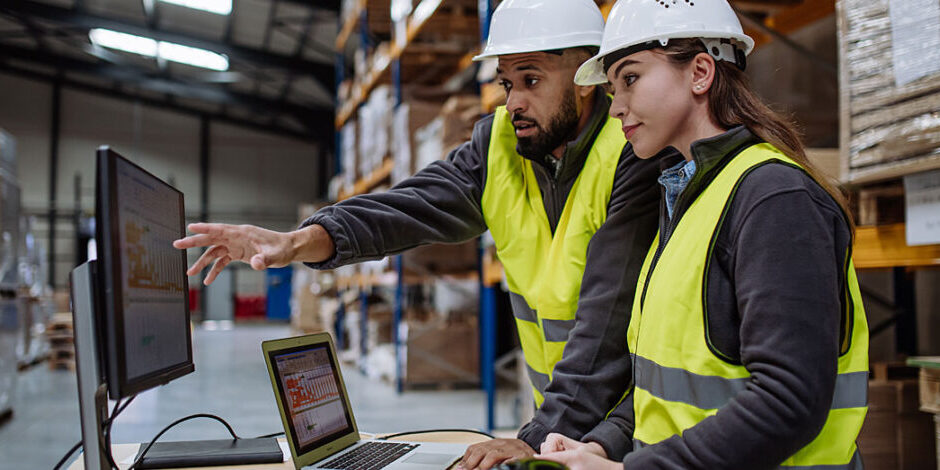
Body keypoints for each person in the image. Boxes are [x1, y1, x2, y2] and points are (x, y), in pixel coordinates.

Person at [173, 0, 679, 468]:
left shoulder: (633, 153)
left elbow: (606, 321)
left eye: (531, 80)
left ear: (586, 77)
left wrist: (536, 436)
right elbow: (407, 207)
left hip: (630, 429)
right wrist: (296, 242)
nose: (514, 102)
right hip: (560, 424)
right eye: (507, 83)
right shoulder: (499, 145)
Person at [535, 0, 869, 469]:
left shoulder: (775, 198)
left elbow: (787, 401)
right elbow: (668, 385)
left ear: (700, 73)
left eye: (630, 79)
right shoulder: (688, 196)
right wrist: (604, 444)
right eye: (612, 89)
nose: (617, 108)